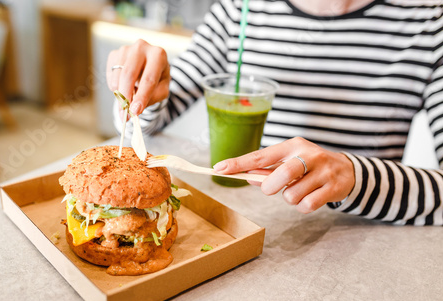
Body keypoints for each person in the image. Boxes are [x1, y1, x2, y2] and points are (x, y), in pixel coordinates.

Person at [107, 0, 443, 225]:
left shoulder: (430, 20)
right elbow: (151, 120)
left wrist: (353, 176)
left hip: (361, 233)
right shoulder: (241, 8)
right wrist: (138, 93)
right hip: (240, 222)